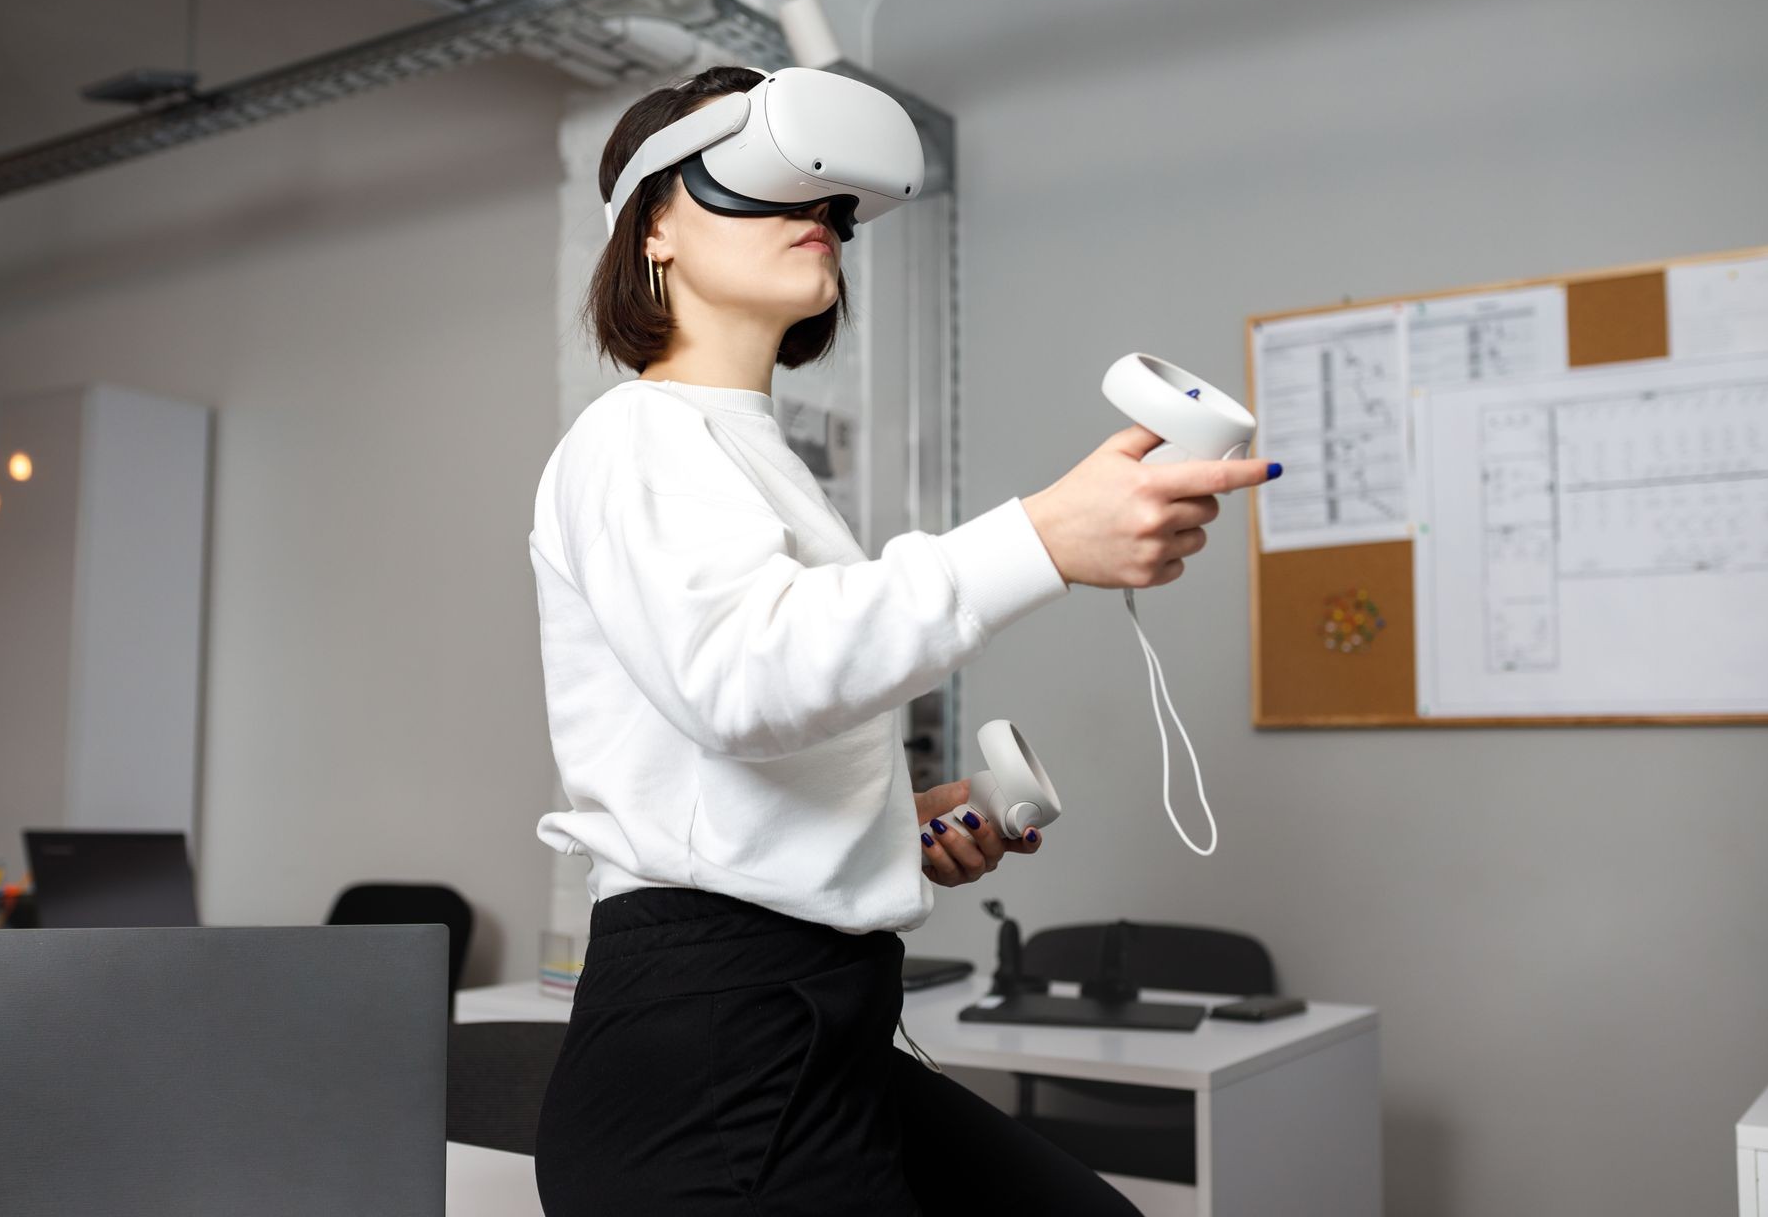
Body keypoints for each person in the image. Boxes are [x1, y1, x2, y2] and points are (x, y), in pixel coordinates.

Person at [527, 66, 1277, 1216]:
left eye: (833, 207)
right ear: (656, 226)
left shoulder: (758, 457)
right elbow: (735, 678)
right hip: (712, 1046)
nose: (820, 218)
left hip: (816, 1018)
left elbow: (746, 738)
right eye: (770, 186)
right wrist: (1041, 536)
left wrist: (891, 826)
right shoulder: (635, 432)